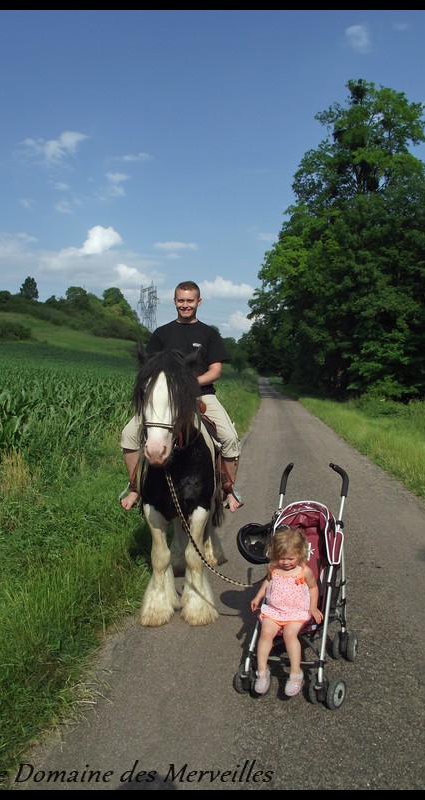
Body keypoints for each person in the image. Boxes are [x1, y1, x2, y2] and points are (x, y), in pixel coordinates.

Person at [119, 280, 244, 513]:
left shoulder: (209, 334)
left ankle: (228, 490)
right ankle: (135, 487)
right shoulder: (161, 334)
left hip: (202, 396)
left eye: (190, 301)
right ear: (174, 301)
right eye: (181, 301)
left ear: (199, 302)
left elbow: (216, 371)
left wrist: (186, 384)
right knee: (128, 434)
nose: (185, 305)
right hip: (165, 400)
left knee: (229, 438)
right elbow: (150, 368)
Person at [250, 526, 323, 697]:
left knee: (289, 635)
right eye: (282, 558)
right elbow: (267, 583)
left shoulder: (304, 571)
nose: (286, 562)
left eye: (291, 558)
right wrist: (258, 597)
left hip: (296, 612)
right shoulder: (274, 568)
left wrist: (313, 607)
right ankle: (262, 672)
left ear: (300, 554)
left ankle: (296, 674)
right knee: (266, 633)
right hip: (274, 610)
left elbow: (313, 588)